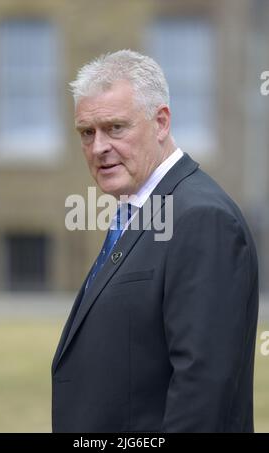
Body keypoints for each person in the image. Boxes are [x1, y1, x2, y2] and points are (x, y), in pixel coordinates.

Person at [51, 50, 259, 433]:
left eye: (115, 127)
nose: (98, 147)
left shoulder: (201, 218)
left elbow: (202, 392)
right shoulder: (140, 208)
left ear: (161, 122)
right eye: (87, 132)